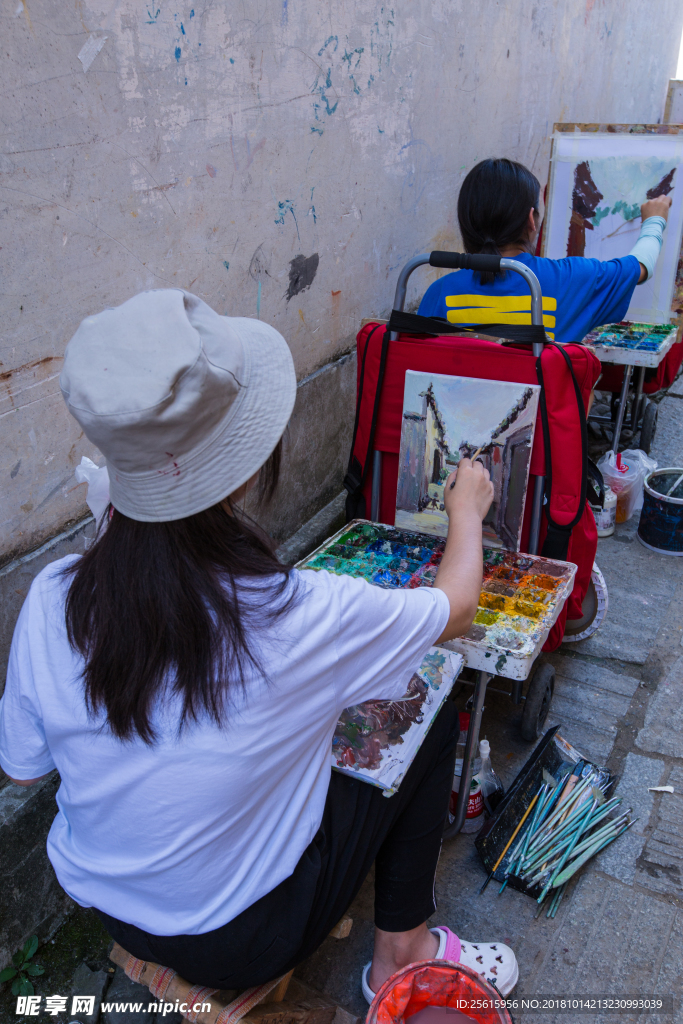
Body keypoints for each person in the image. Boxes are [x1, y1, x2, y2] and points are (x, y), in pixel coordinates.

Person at [0, 289, 517, 1003]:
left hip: (108, 904)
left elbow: (25, 773)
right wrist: (465, 511)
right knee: (430, 698)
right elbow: (455, 609)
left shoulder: (54, 593)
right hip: (246, 938)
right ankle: (404, 954)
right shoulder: (296, 611)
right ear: (243, 468)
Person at [418, 157, 672, 344]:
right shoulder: (572, 278)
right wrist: (655, 220)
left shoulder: (439, 292)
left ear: (466, 222)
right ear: (531, 220)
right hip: (541, 403)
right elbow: (641, 266)